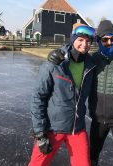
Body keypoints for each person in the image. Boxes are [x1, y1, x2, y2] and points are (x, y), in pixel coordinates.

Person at [48, 20, 113, 166]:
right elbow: (74, 57)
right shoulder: (92, 59)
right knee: (93, 153)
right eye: (105, 39)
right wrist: (56, 54)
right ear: (99, 41)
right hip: (98, 119)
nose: (109, 42)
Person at [29, 24, 96, 166]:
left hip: (77, 128)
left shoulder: (91, 65)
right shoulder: (55, 63)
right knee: (37, 164)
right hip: (53, 128)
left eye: (88, 41)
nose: (84, 44)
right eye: (81, 40)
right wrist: (40, 133)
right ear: (73, 40)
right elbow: (38, 97)